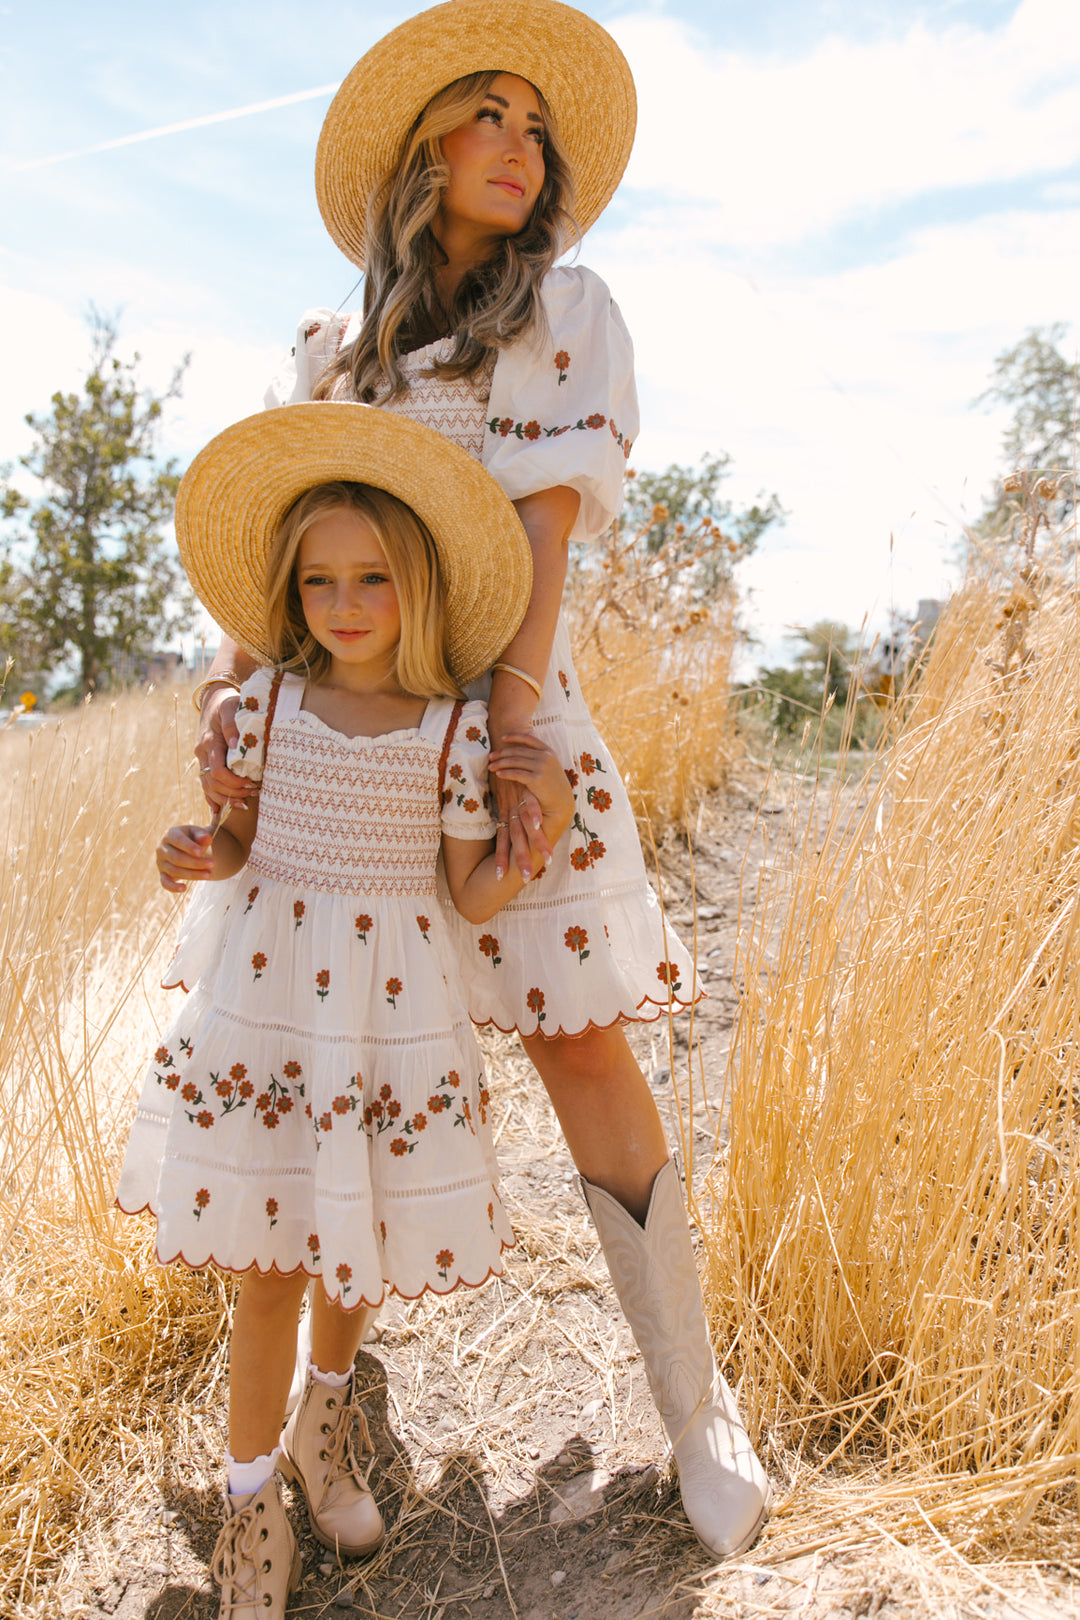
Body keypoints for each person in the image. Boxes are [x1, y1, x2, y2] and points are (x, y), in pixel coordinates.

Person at [193, 0, 771, 1558]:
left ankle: (696, 1411)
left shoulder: (565, 309)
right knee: (338, 1064)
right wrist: (237, 698)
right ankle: (327, 1405)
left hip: (513, 722)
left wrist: (516, 733)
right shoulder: (328, 350)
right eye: (488, 114)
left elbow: (540, 534)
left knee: (584, 1050)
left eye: (537, 123)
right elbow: (292, 564)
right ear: (421, 148)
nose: (521, 146)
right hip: (346, 761)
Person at [118, 401, 575, 1619]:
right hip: (272, 1010)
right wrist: (193, 851)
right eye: (319, 580)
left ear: (416, 586)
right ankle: (250, 1493)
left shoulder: (451, 734)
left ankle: (328, 1418)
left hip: (388, 1020)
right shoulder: (262, 710)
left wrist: (551, 833)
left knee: (351, 1241)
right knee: (270, 1264)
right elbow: (236, 842)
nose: (344, 602)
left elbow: (473, 895)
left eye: (372, 576)